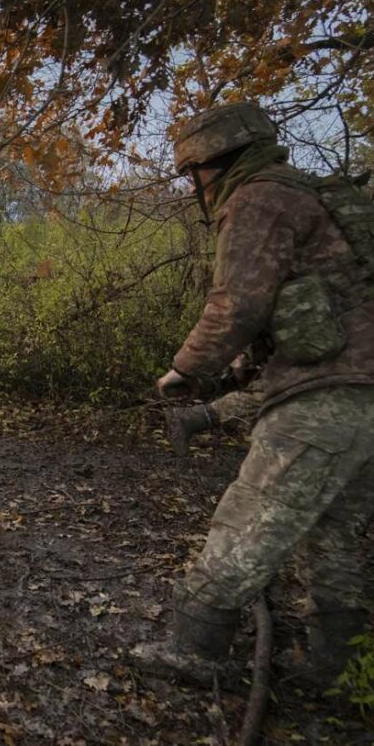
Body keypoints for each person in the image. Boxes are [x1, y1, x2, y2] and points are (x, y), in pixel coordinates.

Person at [132, 103, 374, 688]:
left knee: (250, 517)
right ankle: (337, 667)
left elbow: (237, 304)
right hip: (364, 394)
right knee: (333, 532)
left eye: (193, 174)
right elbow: (300, 303)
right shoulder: (318, 198)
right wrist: (245, 366)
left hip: (327, 398)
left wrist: (184, 370)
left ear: (212, 164)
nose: (194, 186)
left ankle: (196, 646)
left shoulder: (256, 199)